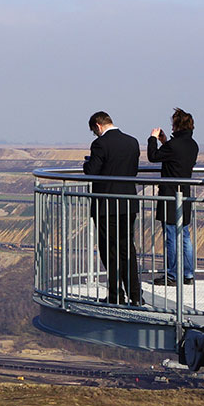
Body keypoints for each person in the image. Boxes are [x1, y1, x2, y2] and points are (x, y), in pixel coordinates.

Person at [85, 111, 142, 305]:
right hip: (128, 203)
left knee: (109, 251)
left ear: (98, 126)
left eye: (94, 131)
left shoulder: (100, 144)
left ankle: (116, 295)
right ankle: (136, 295)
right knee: (127, 249)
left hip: (106, 205)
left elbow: (92, 172)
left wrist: (87, 164)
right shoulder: (132, 142)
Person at [147, 108, 199, 286]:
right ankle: (188, 274)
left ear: (176, 125)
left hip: (170, 195)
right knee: (184, 235)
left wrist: (153, 139)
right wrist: (165, 142)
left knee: (171, 236)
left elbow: (153, 157)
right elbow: (174, 156)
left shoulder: (174, 145)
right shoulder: (192, 145)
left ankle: (171, 275)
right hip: (184, 194)